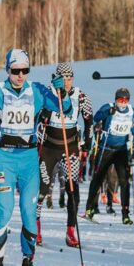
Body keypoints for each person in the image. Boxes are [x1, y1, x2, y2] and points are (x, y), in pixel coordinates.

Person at [0, 49, 71, 266]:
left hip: (29, 159)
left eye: (25, 70)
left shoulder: (37, 91)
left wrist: (62, 92)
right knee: (4, 211)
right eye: (16, 71)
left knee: (28, 211)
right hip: (5, 157)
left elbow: (65, 109)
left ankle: (27, 259)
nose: (20, 75)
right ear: (8, 70)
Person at [35, 62, 92, 248]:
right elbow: (36, 119)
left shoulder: (81, 95)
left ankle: (70, 231)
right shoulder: (47, 95)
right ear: (57, 78)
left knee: (72, 190)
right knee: (42, 191)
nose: (67, 82)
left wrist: (88, 140)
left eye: (69, 78)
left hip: (71, 148)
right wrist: (42, 116)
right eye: (63, 78)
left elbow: (89, 120)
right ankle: (35, 229)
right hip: (50, 148)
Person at [84, 87, 134, 225]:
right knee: (98, 178)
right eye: (120, 99)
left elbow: (131, 127)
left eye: (126, 100)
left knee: (124, 182)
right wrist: (107, 113)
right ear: (116, 100)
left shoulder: (132, 111)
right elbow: (96, 118)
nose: (123, 102)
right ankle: (89, 209)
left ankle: (125, 215)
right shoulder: (108, 107)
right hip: (106, 149)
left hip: (121, 151)